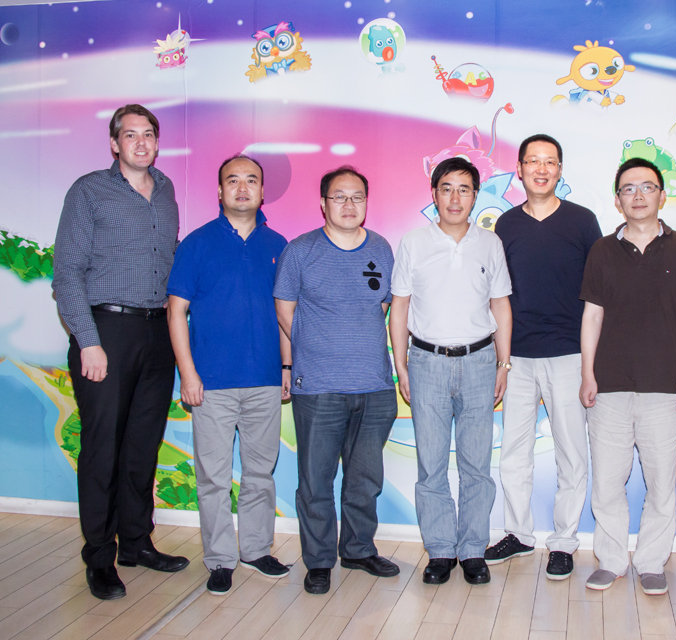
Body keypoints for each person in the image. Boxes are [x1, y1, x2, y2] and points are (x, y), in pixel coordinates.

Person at [52, 104, 189, 600]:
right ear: (114, 143)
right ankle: (99, 557)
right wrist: (88, 341)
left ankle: (136, 542)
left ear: (157, 141)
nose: (141, 142)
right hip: (106, 331)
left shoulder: (167, 190)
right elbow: (67, 273)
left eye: (148, 134)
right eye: (130, 135)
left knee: (142, 446)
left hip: (157, 333)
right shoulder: (89, 191)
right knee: (103, 448)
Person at [579, 157, 676, 594]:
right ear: (617, 200)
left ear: (662, 196)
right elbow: (592, 315)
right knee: (607, 482)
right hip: (608, 386)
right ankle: (612, 560)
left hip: (665, 386)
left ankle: (652, 562)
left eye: (647, 187)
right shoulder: (601, 250)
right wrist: (587, 373)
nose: (638, 196)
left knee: (661, 484)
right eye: (628, 189)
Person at [166, 155, 291, 595]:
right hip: (211, 384)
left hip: (265, 380)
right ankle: (220, 559)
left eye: (251, 180)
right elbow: (176, 312)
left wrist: (287, 366)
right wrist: (188, 374)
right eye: (232, 180)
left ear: (262, 191)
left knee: (260, 473)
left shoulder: (278, 244)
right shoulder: (196, 244)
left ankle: (256, 549)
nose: (242, 188)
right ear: (219, 191)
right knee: (213, 478)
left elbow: (285, 313)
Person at [274, 166, 399, 596]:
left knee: (365, 479)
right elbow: (284, 309)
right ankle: (319, 560)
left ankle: (359, 549)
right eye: (339, 197)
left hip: (375, 386)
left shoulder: (381, 248)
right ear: (323, 203)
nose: (349, 205)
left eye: (357, 197)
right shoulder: (301, 251)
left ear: (366, 202)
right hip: (319, 387)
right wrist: (312, 347)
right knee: (316, 481)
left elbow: (383, 307)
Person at [389, 157, 512, 586]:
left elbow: (501, 305)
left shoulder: (490, 244)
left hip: (480, 362)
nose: (455, 198)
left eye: (464, 189)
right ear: (434, 193)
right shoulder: (413, 243)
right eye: (446, 188)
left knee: (477, 464)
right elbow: (399, 307)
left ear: (475, 196)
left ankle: (473, 549)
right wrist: (401, 364)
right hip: (427, 363)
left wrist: (504, 362)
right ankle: (441, 550)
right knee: (432, 464)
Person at [486, 134, 601, 580]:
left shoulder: (582, 221)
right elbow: (497, 295)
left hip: (569, 353)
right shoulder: (506, 225)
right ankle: (518, 533)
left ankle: (565, 541)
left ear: (560, 170)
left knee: (572, 452)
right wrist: (501, 359)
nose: (541, 169)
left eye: (549, 161)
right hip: (516, 356)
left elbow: (598, 294)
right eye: (532, 161)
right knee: (514, 452)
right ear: (519, 169)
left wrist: (591, 361)